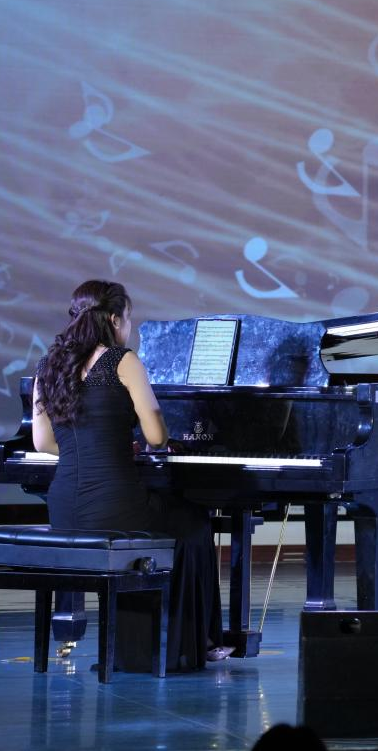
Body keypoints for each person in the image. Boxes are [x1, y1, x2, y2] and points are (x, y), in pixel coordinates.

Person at [33, 279, 224, 672]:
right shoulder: (122, 361)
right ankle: (189, 645)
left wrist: (95, 448)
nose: (129, 327)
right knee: (193, 522)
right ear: (114, 319)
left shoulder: (47, 365)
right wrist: (135, 441)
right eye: (129, 319)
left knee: (173, 520)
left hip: (63, 509)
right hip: (115, 507)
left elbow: (43, 442)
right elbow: (156, 437)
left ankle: (140, 645)